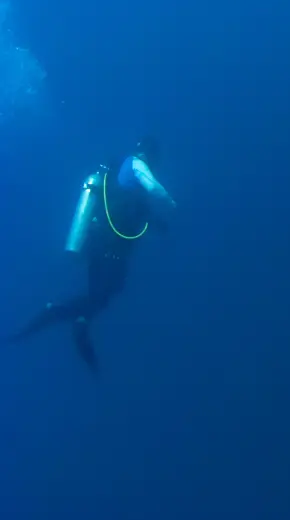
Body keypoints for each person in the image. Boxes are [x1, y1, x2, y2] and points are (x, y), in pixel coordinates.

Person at [12, 138, 176, 374]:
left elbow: (139, 212)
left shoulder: (118, 179)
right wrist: (171, 203)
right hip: (111, 250)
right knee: (104, 293)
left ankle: (81, 322)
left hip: (98, 247)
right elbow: (153, 189)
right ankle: (56, 310)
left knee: (99, 295)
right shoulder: (135, 165)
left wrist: (159, 224)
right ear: (150, 154)